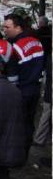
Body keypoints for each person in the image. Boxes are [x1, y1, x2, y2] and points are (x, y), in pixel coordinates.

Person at [2, 13, 45, 158]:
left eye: (7, 27)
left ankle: (14, 155)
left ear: (18, 28)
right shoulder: (36, 42)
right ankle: (24, 155)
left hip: (21, 89)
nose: (4, 30)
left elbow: (12, 73)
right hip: (35, 88)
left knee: (15, 124)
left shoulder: (15, 47)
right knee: (28, 123)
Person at [34, 16, 51, 148]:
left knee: (46, 114)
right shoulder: (49, 33)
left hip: (42, 64)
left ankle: (40, 139)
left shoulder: (37, 35)